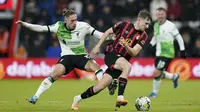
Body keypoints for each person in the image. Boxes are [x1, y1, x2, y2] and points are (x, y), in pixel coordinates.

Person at [16, 8, 104, 104]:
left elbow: (100, 35)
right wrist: (25, 24)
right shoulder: (58, 26)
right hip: (67, 57)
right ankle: (35, 96)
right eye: (72, 20)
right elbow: (41, 28)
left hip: (81, 56)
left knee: (96, 67)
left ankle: (104, 85)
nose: (75, 22)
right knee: (55, 74)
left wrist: (113, 35)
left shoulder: (83, 26)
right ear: (65, 20)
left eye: (76, 19)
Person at [71, 10, 152, 110]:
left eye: (149, 24)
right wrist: (97, 46)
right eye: (146, 23)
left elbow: (134, 52)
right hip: (111, 54)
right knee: (128, 67)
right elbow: (108, 32)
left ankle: (78, 98)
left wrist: (126, 45)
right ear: (139, 20)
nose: (147, 26)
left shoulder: (144, 36)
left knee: (99, 87)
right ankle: (120, 97)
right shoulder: (124, 25)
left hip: (121, 62)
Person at [148, 7, 186, 98]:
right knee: (160, 73)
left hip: (167, 54)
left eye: (162, 14)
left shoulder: (171, 25)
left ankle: (154, 93)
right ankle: (174, 77)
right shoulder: (156, 25)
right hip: (159, 53)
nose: (160, 16)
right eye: (158, 14)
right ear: (156, 15)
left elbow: (179, 37)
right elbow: (156, 36)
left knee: (157, 72)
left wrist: (182, 50)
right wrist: (151, 44)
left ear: (165, 15)